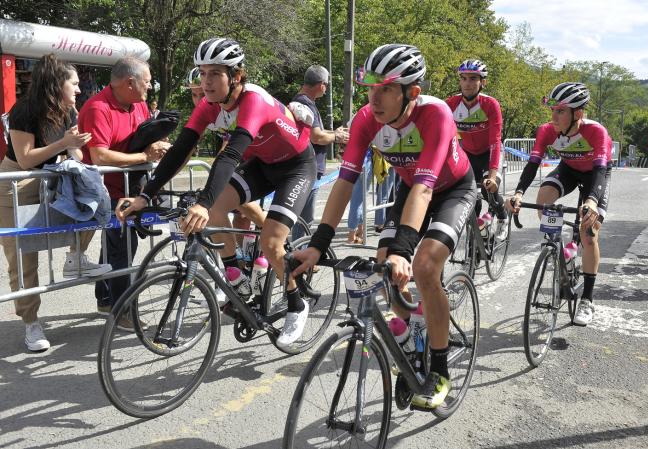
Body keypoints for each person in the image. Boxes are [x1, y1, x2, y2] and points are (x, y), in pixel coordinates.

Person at [291, 44, 476, 409]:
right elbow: (344, 181)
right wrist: (319, 243)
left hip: (452, 190)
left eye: (386, 89)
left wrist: (405, 251)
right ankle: (410, 345)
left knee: (422, 266)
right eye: (371, 89)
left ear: (412, 93)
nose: (375, 99)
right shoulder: (366, 120)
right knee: (383, 268)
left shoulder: (436, 114)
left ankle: (438, 370)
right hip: (412, 190)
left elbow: (426, 187)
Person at [117, 38, 317, 347]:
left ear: (236, 76)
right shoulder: (208, 106)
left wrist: (202, 203)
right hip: (263, 165)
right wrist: (146, 194)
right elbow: (180, 150)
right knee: (213, 209)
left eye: (214, 74)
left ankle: (296, 301)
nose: (205, 81)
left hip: (295, 167)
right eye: (202, 72)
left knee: (271, 241)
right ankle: (237, 277)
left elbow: (231, 155)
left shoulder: (253, 100)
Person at [0, 54, 108, 351]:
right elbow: (24, 159)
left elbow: (77, 155)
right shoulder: (24, 109)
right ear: (57, 84)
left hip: (51, 178)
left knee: (94, 202)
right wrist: (64, 145)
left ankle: (76, 257)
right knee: (23, 261)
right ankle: (30, 323)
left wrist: (76, 151)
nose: (78, 88)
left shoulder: (69, 110)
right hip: (16, 184)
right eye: (73, 83)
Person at [506, 82, 613, 327]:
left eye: (560, 111)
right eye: (553, 109)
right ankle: (555, 244)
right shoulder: (547, 131)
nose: (553, 116)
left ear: (578, 114)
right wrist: (519, 193)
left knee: (589, 233)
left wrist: (592, 202)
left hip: (596, 176)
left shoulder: (596, 132)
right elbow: (532, 165)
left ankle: (587, 299)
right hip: (568, 170)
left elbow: (599, 171)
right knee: (543, 197)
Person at [79, 56, 170, 330]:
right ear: (130, 83)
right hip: (108, 193)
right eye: (147, 81)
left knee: (118, 247)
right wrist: (144, 155)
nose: (151, 86)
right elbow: (99, 155)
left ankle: (106, 299)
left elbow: (142, 137)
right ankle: (122, 312)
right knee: (122, 250)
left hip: (131, 189)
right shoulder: (98, 108)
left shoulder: (138, 104)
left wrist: (158, 146)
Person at [184, 66, 265, 279]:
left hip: (253, 157)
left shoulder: (231, 103)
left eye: (202, 94)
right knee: (229, 215)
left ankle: (272, 230)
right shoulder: (206, 109)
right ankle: (238, 263)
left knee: (236, 203)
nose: (201, 96)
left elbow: (228, 149)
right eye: (195, 94)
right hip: (235, 157)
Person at [446, 59, 508, 239]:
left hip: (490, 153)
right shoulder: (451, 103)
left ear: (483, 82)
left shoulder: (490, 104)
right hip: (468, 154)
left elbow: (495, 140)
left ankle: (502, 217)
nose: (467, 83)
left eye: (473, 78)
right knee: (469, 196)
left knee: (489, 190)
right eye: (464, 78)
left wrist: (492, 174)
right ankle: (475, 243)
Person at [290, 65, 349, 240]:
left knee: (301, 216)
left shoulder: (301, 101)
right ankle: (298, 257)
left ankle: (296, 253)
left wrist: (334, 134)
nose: (326, 89)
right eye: (327, 85)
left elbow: (312, 134)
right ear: (321, 85)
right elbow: (316, 138)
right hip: (308, 167)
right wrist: (337, 137)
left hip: (303, 166)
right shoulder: (305, 103)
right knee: (305, 218)